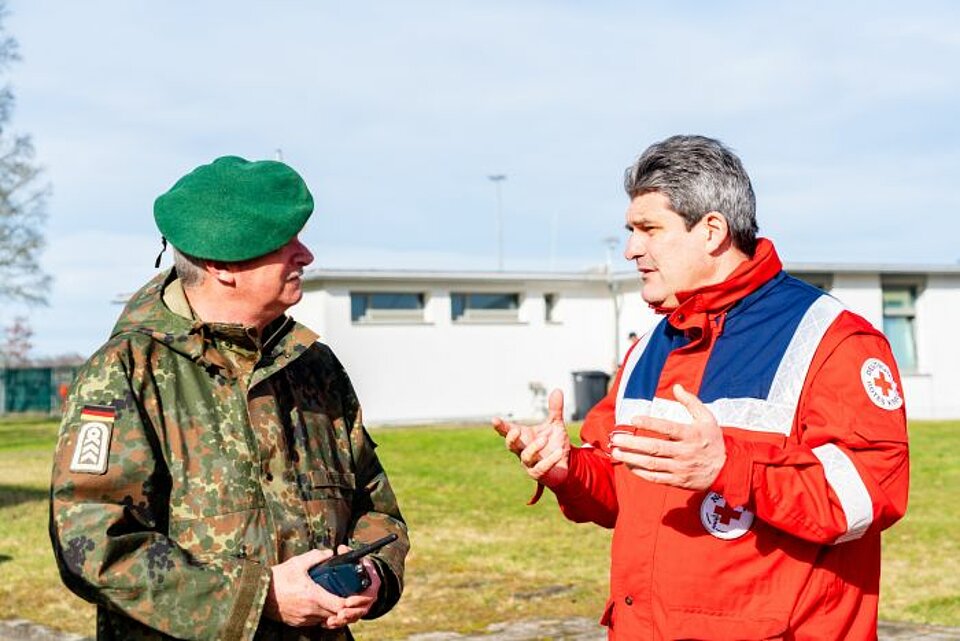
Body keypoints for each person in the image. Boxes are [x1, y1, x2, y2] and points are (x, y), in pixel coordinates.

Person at [493, 135, 908, 640]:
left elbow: (870, 495)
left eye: (649, 229)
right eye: (630, 230)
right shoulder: (649, 347)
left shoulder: (834, 340)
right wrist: (569, 472)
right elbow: (622, 489)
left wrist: (730, 468)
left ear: (712, 231)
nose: (630, 250)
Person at [50, 156, 409, 641]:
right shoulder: (127, 372)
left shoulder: (314, 366)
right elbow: (92, 544)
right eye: (285, 244)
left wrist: (371, 574)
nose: (305, 256)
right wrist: (260, 597)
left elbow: (375, 505)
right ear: (223, 265)